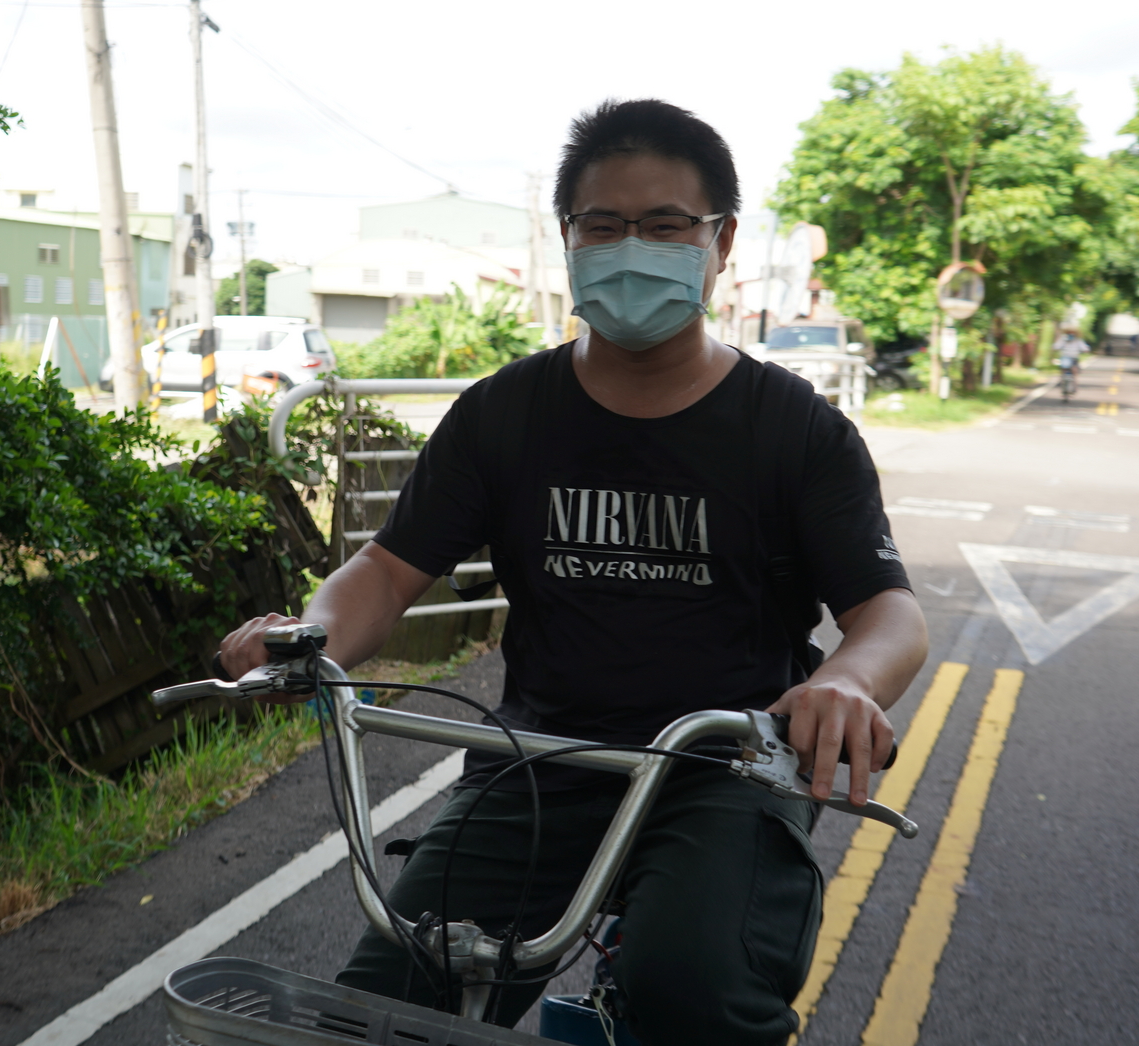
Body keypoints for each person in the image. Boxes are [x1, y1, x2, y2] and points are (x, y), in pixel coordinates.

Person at [215, 99, 928, 1046]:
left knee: (693, 991)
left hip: (723, 772)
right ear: (567, 238)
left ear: (720, 242)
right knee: (385, 1006)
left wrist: (845, 681)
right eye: (603, 225)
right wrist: (307, 637)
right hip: (535, 765)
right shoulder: (502, 414)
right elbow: (384, 573)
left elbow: (888, 615)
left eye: (665, 225)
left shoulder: (794, 430)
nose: (632, 248)